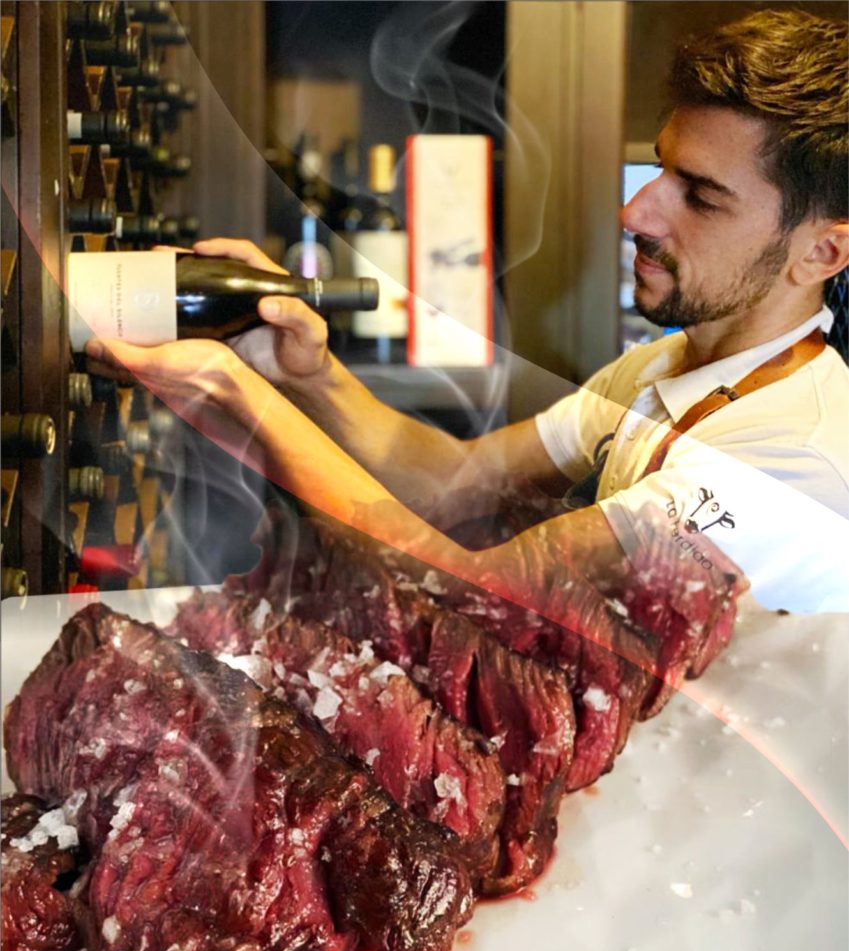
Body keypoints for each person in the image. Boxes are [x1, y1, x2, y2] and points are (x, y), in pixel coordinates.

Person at [86, 8, 849, 621]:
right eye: (658, 169)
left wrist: (230, 393)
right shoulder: (661, 370)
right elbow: (454, 483)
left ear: (821, 253)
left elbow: (469, 589)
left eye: (702, 195)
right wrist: (303, 377)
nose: (634, 211)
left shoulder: (789, 462)